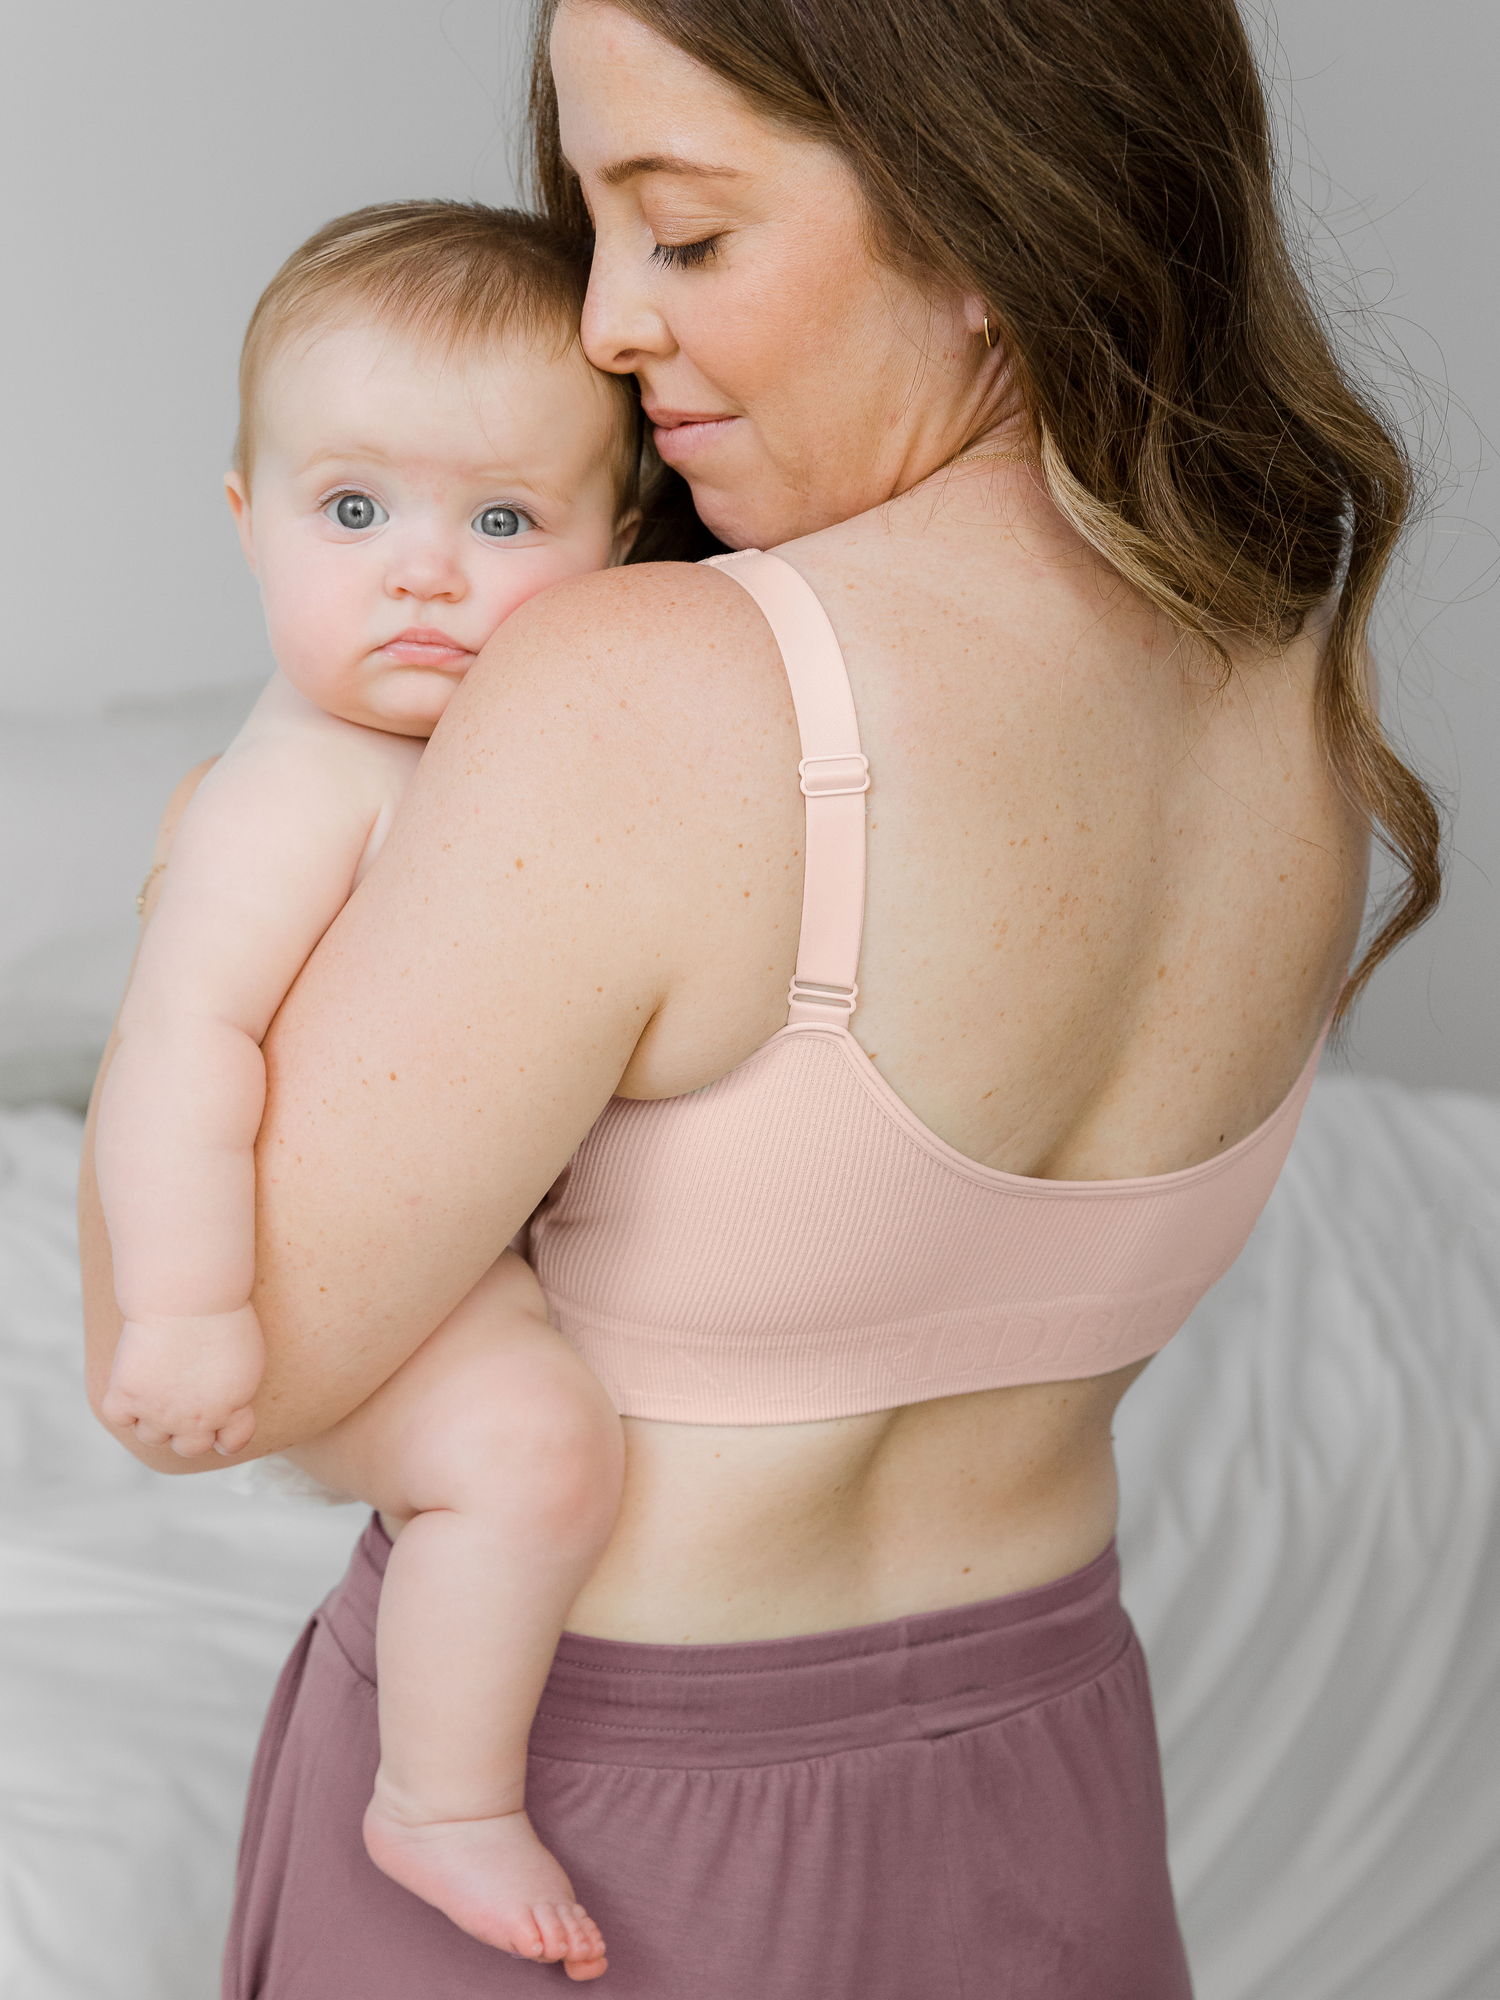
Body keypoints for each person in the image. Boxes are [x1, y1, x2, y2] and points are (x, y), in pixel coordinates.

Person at [79, 1, 1442, 1993]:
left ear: (989, 218)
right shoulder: (1292, 678)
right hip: (1052, 1781)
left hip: (584, 1819)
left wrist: (211, 880)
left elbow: (210, 1366)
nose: (606, 324)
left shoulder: (656, 686)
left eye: (687, 233)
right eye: (598, 231)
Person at [94, 200, 646, 1979]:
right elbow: (180, 1046)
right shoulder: (299, 785)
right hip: (296, 1286)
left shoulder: (516, 745)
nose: (426, 573)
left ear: (619, 541)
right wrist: (191, 1311)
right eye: (354, 512)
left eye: (503, 521)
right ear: (247, 524)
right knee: (533, 1450)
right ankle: (440, 1797)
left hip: (459, 1235)